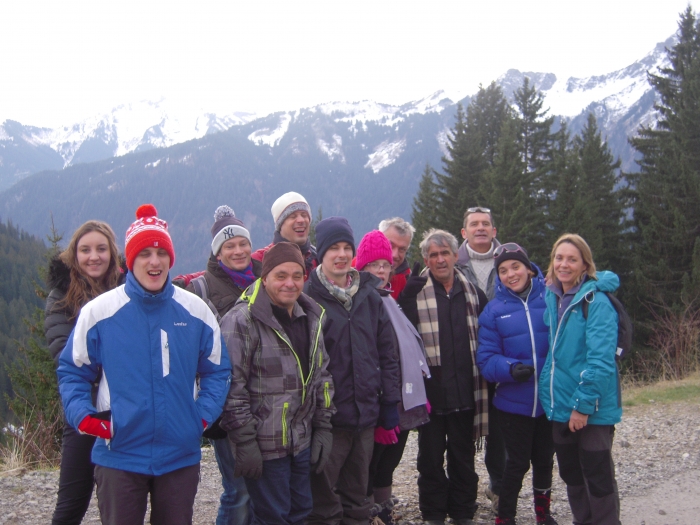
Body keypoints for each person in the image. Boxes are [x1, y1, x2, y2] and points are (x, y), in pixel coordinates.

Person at [57, 204, 232, 525]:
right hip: (119, 454)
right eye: (144, 253)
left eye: (161, 252)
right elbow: (72, 371)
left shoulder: (196, 312)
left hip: (179, 455)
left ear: (171, 258)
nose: (154, 261)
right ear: (130, 260)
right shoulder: (100, 312)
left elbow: (217, 370)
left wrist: (201, 417)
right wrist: (85, 417)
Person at [220, 241, 335, 525]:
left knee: (300, 511)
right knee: (272, 516)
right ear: (265, 277)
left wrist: (323, 427)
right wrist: (244, 440)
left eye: (297, 276)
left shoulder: (311, 317)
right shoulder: (242, 320)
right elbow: (231, 387)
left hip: (301, 440)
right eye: (281, 276)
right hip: (264, 444)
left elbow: (322, 377)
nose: (290, 283)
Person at [304, 217, 401, 525]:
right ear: (321, 253)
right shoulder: (308, 299)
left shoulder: (369, 296)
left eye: (347, 247)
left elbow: (387, 354)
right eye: (334, 248)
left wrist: (389, 402)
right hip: (329, 419)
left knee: (358, 496)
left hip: (365, 415)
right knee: (324, 499)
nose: (342, 254)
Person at [398, 229, 488, 525]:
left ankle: (463, 512)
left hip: (466, 390)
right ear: (426, 259)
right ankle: (434, 513)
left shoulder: (473, 292)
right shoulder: (414, 291)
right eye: (433, 255)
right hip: (431, 394)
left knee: (463, 458)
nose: (439, 260)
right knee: (430, 460)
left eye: (444, 253)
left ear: (455, 255)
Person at [538, 234, 622, 525]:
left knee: (597, 475)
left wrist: (582, 407)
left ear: (585, 264)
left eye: (572, 259)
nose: (564, 264)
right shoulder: (553, 297)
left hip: (592, 409)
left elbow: (600, 361)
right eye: (559, 258)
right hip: (561, 404)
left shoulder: (596, 302)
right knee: (572, 475)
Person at [185, 205, 260, 525]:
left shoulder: (265, 279)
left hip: (264, 398)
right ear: (218, 252)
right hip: (225, 402)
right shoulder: (200, 290)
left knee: (261, 486)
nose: (238, 250)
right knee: (238, 489)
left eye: (243, 243)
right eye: (229, 245)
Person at [45, 220, 123, 525]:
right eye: (86, 250)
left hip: (124, 409)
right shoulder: (62, 296)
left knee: (118, 503)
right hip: (86, 411)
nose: (94, 256)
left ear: (112, 253)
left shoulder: (127, 288)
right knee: (72, 502)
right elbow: (65, 353)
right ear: (73, 254)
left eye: (102, 249)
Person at [476, 243, 558, 525]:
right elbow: (486, 360)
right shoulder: (493, 311)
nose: (511, 274)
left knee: (545, 460)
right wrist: (510, 368)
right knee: (517, 463)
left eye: (515, 267)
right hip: (513, 404)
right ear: (498, 276)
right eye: (503, 270)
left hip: (549, 400)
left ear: (528, 268)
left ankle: (542, 513)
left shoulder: (551, 298)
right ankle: (506, 516)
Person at [355, 230, 430, 524]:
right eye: (375, 265)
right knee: (371, 466)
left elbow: (407, 347)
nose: (382, 270)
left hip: (398, 399)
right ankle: (370, 513)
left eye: (385, 265)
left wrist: (417, 395)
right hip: (378, 403)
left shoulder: (387, 298)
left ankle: (384, 511)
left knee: (388, 464)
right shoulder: (365, 301)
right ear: (361, 267)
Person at [456, 206, 505, 511]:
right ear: (464, 233)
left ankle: (499, 489)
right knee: (461, 430)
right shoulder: (451, 262)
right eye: (474, 224)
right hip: (463, 358)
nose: (480, 228)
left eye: (486, 224)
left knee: (499, 430)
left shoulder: (510, 261)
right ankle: (463, 494)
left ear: (494, 231)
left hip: (502, 356)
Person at [252, 192, 317, 279]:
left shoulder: (318, 258)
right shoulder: (259, 260)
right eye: (293, 216)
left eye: (304, 215)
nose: (301, 220)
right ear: (280, 225)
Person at [378, 217, 416, 299]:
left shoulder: (408, 281)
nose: (395, 255)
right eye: (390, 245)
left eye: (402, 249)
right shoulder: (355, 270)